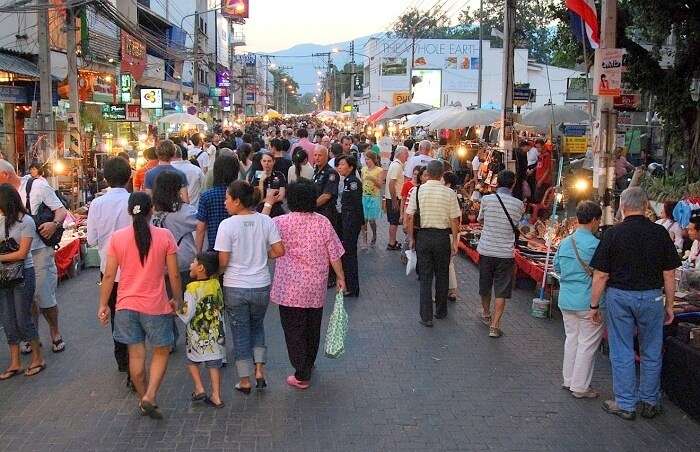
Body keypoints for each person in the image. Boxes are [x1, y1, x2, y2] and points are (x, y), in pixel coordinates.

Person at [589, 187, 680, 421]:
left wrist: (594, 305)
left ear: (622, 206)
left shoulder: (613, 234)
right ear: (646, 206)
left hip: (620, 297)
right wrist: (669, 305)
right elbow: (669, 274)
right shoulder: (660, 233)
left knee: (622, 351)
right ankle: (650, 401)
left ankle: (625, 403)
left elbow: (601, 275)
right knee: (651, 350)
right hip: (652, 297)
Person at [97, 192, 184, 420]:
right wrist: (178, 298)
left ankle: (142, 396)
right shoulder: (165, 236)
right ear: (151, 210)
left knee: (135, 358)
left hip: (125, 306)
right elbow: (174, 274)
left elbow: (108, 276)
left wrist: (103, 304)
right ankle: (150, 395)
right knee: (161, 350)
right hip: (155, 305)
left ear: (129, 211)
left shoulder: (117, 238)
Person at [270, 180, 345, 389]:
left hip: (289, 287)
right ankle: (308, 364)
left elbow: (264, 238)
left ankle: (301, 372)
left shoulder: (280, 222)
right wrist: (341, 277)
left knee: (293, 329)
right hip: (315, 285)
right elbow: (334, 253)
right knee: (312, 327)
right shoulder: (322, 222)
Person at [215, 181, 284, 394]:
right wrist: (264, 256)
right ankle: (260, 371)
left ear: (237, 201)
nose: (225, 202)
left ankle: (244, 379)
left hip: (235, 286)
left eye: (227, 198)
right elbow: (279, 250)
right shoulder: (265, 221)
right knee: (257, 327)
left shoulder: (227, 225)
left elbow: (223, 261)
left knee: (240, 332)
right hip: (261, 284)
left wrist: (214, 274)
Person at [12, 160, 68, 354]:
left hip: (39, 250)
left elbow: (61, 210)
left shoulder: (37, 186)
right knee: (26, 298)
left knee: (43, 295)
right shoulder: (4, 193)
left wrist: (54, 224)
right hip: (15, 254)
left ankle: (55, 331)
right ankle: (32, 335)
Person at [553, 201, 604, 399]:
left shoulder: (566, 242)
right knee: (587, 344)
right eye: (598, 220)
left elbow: (557, 268)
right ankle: (580, 387)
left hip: (566, 300)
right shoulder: (596, 245)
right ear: (593, 220)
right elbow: (602, 275)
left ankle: (569, 380)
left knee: (572, 339)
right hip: (588, 301)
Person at [87, 157, 132, 372]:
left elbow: (91, 240)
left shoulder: (97, 203)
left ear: (105, 178)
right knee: (134, 314)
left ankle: (122, 358)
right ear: (129, 177)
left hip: (109, 270)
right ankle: (135, 357)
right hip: (135, 269)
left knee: (115, 313)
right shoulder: (134, 201)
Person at [405, 161, 461, 327]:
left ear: (427, 173)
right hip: (442, 237)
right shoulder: (449, 193)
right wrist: (455, 241)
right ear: (442, 174)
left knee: (425, 277)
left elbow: (409, 217)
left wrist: (411, 238)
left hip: (424, 236)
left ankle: (426, 316)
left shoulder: (417, 191)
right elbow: (454, 220)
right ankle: (441, 311)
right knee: (442, 274)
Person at [0, 184, 45, 379]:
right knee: (8, 320)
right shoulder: (1, 222)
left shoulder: (26, 221)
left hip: (23, 274)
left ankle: (38, 358)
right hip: (4, 276)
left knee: (22, 317)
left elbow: (22, 253)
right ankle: (15, 362)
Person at [476, 170, 525, 338]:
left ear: (497, 183)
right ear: (513, 184)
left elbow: (480, 219)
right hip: (505, 253)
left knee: (485, 285)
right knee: (501, 290)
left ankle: (485, 313)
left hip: (486, 250)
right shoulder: (518, 204)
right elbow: (518, 225)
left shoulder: (487, 199)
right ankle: (495, 326)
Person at [178, 252, 226, 408]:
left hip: (197, 335)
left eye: (193, 262)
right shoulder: (216, 284)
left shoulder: (192, 288)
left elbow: (187, 314)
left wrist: (176, 307)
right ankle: (217, 396)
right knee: (214, 364)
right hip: (215, 334)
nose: (191, 264)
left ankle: (199, 388)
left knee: (192, 361)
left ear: (200, 268)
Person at [152, 171, 198, 291]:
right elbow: (201, 222)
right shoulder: (184, 212)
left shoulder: (152, 211)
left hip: (159, 264)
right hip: (182, 262)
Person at [195, 155, 239, 253]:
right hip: (239, 246)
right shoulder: (241, 194)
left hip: (215, 246)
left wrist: (198, 253)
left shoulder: (206, 196)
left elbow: (200, 228)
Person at [336, 155, 364, 297]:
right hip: (347, 221)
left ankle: (353, 287)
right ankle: (350, 285)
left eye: (342, 164)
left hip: (351, 222)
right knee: (348, 253)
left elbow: (356, 205)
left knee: (350, 254)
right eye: (338, 165)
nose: (339, 167)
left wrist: (359, 222)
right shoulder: (347, 181)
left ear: (351, 167)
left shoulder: (353, 183)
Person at [385, 146, 408, 250]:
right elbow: (391, 184)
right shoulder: (397, 166)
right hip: (394, 198)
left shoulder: (396, 165)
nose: (407, 156)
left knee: (393, 222)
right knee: (394, 222)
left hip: (393, 198)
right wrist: (395, 201)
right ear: (401, 154)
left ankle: (392, 241)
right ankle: (391, 243)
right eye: (406, 154)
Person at [360, 150, 384, 248]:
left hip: (374, 197)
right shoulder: (363, 169)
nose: (367, 161)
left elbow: (380, 185)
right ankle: (364, 241)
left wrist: (373, 179)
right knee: (364, 220)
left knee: (371, 220)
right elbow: (362, 182)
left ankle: (374, 234)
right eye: (365, 159)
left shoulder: (379, 170)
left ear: (373, 159)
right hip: (365, 196)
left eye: (368, 159)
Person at [312, 146, 339, 225]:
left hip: (326, 213)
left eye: (320, 155)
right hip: (316, 212)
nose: (317, 158)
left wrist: (311, 206)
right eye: (315, 155)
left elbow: (327, 195)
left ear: (326, 156)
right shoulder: (316, 171)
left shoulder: (331, 173)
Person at [254, 152, 287, 218]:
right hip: (261, 208)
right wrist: (261, 182)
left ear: (273, 162)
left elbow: (281, 196)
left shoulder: (279, 175)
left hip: (276, 208)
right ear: (261, 162)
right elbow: (257, 198)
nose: (266, 163)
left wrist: (267, 199)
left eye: (269, 161)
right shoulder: (258, 175)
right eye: (264, 161)